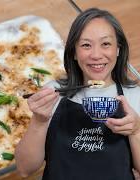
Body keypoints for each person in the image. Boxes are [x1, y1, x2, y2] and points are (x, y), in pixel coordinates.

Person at [15, 8, 140, 180]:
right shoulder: (53, 92)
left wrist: (136, 132)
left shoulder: (135, 96)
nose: (96, 55)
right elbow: (24, 169)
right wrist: (39, 121)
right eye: (86, 45)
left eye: (106, 44)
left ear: (118, 49)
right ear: (73, 52)